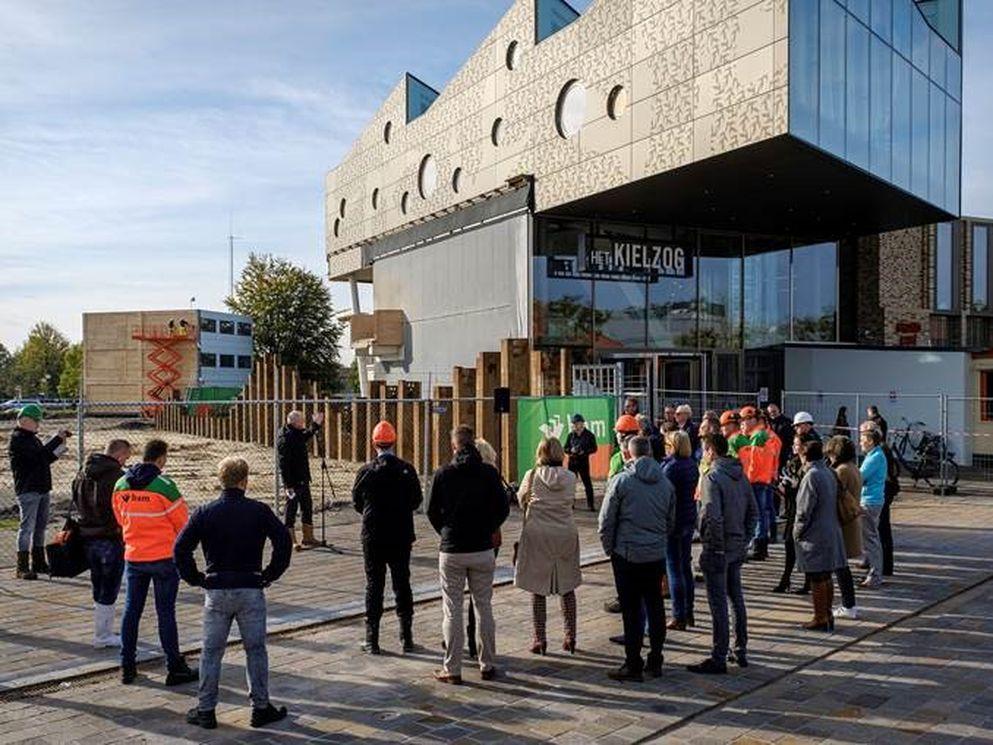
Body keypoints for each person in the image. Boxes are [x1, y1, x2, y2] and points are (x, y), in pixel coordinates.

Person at [176, 457, 292, 731]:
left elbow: (180, 548)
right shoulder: (259, 511)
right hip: (250, 586)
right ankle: (260, 707)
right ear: (244, 481)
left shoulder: (205, 512)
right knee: (255, 650)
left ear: (221, 480)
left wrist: (195, 578)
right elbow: (284, 541)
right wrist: (270, 573)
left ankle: (206, 710)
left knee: (211, 652)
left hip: (216, 589)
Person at [428, 426, 510, 684]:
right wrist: (487, 527)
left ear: (454, 446)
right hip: (482, 548)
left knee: (452, 609)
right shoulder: (488, 473)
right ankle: (487, 664)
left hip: (452, 549)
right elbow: (503, 507)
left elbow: (430, 510)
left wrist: (445, 531)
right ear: (473, 444)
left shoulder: (443, 473)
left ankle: (452, 668)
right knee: (484, 606)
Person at [112, 439, 197, 686]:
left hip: (134, 556)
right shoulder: (165, 486)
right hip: (163, 557)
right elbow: (183, 524)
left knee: (131, 611)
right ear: (161, 459)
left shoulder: (121, 484)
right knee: (165, 612)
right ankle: (174, 666)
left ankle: (127, 666)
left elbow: (120, 518)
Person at [598, 436, 675, 682]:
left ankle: (633, 663)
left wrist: (610, 549)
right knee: (655, 605)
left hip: (627, 553)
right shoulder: (665, 483)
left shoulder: (622, 481)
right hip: (654, 553)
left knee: (631, 610)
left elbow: (606, 520)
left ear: (629, 455)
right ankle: (656, 659)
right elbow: (670, 521)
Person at [687, 433, 758, 674]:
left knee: (718, 603)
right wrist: (745, 539)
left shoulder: (712, 477)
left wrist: (714, 545)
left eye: (704, 451)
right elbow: (753, 512)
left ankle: (718, 655)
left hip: (719, 547)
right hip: (736, 545)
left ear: (711, 452)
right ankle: (740, 649)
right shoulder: (740, 475)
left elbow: (711, 515)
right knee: (735, 598)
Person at [351, 421, 423, 655]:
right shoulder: (406, 469)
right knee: (402, 583)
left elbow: (356, 502)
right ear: (394, 442)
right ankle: (407, 637)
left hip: (373, 534)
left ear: (374, 444)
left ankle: (372, 639)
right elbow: (416, 500)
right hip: (401, 533)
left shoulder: (366, 471)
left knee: (374, 584)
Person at [516, 438, 582, 655]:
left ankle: (539, 638)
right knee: (567, 585)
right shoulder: (571, 477)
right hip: (565, 532)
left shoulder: (532, 475)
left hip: (538, 534)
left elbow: (521, 499)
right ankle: (570, 636)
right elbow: (571, 500)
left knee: (538, 588)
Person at [72, 439, 131, 647]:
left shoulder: (83, 472)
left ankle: (102, 629)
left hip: (87, 535)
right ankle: (102, 635)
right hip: (109, 536)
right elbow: (121, 508)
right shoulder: (117, 477)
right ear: (120, 455)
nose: (125, 462)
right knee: (110, 585)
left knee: (98, 583)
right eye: (126, 458)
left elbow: (75, 498)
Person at [9, 404, 70, 579]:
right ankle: (22, 567)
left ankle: (38, 562)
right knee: (26, 528)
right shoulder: (18, 438)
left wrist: (60, 448)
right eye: (36, 421)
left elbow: (44, 459)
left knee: (40, 527)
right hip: (28, 490)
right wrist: (56, 439)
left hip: (42, 488)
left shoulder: (32, 438)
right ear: (25, 420)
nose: (38, 424)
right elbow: (39, 456)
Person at [793, 439, 847, 632]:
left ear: (805, 456)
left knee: (817, 577)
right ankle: (827, 614)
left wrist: (797, 532)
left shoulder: (811, 476)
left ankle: (820, 617)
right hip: (831, 529)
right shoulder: (829, 472)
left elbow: (804, 510)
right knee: (826, 576)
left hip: (815, 533)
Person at [661, 430, 698, 631]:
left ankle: (678, 615)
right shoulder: (691, 464)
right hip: (688, 518)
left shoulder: (671, 468)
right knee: (685, 566)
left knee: (673, 568)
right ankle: (689, 610)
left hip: (674, 522)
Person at [772, 433, 816, 595]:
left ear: (804, 447)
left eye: (796, 444)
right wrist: (782, 487)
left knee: (802, 547)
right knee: (789, 545)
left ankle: (807, 581)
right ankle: (786, 579)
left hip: (802, 511)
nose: (793, 447)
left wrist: (791, 488)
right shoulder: (793, 462)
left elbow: (805, 491)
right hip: (792, 510)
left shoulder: (810, 467)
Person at [825, 436, 863, 620]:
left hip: (841, 523)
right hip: (850, 522)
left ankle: (849, 605)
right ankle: (849, 604)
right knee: (841, 567)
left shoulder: (841, 471)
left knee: (840, 567)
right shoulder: (853, 468)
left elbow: (832, 497)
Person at [276, 409, 325, 550]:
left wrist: (315, 424)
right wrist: (288, 485)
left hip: (303, 479)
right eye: (301, 421)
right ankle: (290, 540)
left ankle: (308, 537)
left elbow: (306, 435)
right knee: (291, 509)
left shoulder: (296, 433)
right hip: (292, 482)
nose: (303, 424)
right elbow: (283, 464)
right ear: (294, 422)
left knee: (307, 507)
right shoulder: (285, 437)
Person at [736, 407, 780, 560]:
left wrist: (747, 479)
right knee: (763, 512)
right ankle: (761, 546)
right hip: (763, 478)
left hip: (755, 479)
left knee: (757, 513)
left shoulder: (758, 436)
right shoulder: (765, 435)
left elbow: (753, 462)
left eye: (745, 420)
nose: (743, 423)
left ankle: (758, 546)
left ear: (754, 420)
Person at [858, 423, 887, 590]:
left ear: (870, 440)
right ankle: (871, 568)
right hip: (870, 499)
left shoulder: (875, 457)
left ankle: (875, 575)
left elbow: (861, 476)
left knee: (871, 539)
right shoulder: (873, 455)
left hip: (870, 501)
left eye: (862, 439)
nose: (860, 442)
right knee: (869, 538)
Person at [564, 414, 598, 511]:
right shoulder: (571, 435)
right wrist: (571, 451)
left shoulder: (589, 435)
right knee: (570, 484)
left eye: (577, 423)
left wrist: (584, 451)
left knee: (587, 483)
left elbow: (594, 448)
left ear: (582, 424)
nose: (575, 426)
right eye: (573, 424)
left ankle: (590, 505)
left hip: (583, 462)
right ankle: (571, 503)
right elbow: (565, 448)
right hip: (572, 462)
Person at [880, 443, 900, 576]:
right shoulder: (882, 450)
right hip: (884, 494)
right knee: (883, 531)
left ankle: (883, 566)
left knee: (882, 532)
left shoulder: (879, 452)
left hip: (880, 495)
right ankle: (884, 565)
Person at [766, 403, 794, 473]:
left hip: (783, 452)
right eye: (770, 412)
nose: (772, 414)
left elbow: (790, 438)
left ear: (779, 410)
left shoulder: (787, 422)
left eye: (774, 411)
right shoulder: (768, 423)